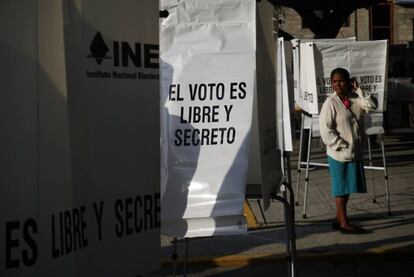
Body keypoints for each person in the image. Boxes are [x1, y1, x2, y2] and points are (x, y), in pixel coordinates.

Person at [319, 68, 378, 234]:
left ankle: (339, 218)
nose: (338, 84)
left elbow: (372, 106)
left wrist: (358, 89)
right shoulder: (330, 104)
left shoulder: (354, 99)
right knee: (340, 188)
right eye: (334, 81)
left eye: (341, 80)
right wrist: (341, 145)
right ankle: (344, 223)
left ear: (349, 81)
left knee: (347, 187)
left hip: (354, 152)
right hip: (338, 153)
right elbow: (326, 131)